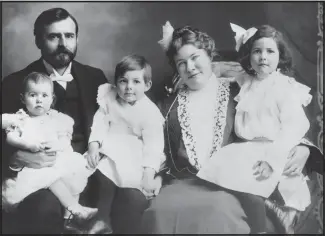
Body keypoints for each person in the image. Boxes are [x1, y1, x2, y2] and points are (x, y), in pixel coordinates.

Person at [140, 21, 323, 234]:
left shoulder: (241, 91)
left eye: (195, 58)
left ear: (210, 56)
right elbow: (155, 146)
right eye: (181, 63)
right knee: (158, 211)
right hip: (184, 182)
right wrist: (156, 175)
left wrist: (304, 148)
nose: (189, 67)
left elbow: (278, 121)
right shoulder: (167, 105)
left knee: (217, 212)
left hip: (237, 185)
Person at [1, 8, 110, 234]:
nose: (63, 43)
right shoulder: (14, 84)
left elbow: (112, 125)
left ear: (77, 38)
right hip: (42, 174)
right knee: (44, 207)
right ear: (39, 41)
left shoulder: (95, 77)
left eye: (69, 36)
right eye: (53, 36)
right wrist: (16, 157)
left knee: (125, 195)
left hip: (89, 167)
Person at [197, 24, 313, 234]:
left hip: (271, 150)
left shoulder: (284, 88)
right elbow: (222, 71)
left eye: (270, 51)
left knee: (249, 191)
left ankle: (264, 224)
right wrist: (207, 66)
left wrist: (273, 160)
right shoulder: (247, 82)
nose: (263, 57)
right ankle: (268, 209)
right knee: (215, 177)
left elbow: (294, 127)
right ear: (249, 56)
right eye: (257, 51)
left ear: (281, 56)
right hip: (244, 150)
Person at [85, 54, 165, 233]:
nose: (129, 87)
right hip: (109, 147)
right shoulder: (109, 98)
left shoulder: (149, 112)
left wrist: (148, 173)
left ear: (147, 85)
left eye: (136, 82)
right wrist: (94, 145)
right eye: (123, 81)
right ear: (116, 83)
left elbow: (154, 146)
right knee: (102, 178)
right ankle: (101, 219)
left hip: (133, 153)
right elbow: (99, 123)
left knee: (128, 189)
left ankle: (113, 222)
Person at [2, 72, 97, 222]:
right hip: (33, 167)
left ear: (52, 99)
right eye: (33, 95)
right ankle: (75, 209)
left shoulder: (58, 119)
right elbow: (10, 138)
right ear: (23, 98)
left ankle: (69, 219)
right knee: (52, 178)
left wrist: (57, 145)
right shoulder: (20, 119)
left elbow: (65, 139)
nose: (39, 100)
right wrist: (28, 145)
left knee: (74, 173)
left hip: (56, 159)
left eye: (44, 96)